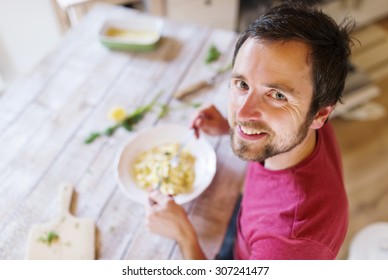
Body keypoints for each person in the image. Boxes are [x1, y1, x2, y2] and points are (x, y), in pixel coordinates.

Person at [146, 2, 355, 259]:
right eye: (242, 84)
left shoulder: (289, 241)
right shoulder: (301, 126)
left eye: (277, 95)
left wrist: (184, 236)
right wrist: (231, 128)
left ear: (320, 114)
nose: (242, 114)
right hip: (247, 221)